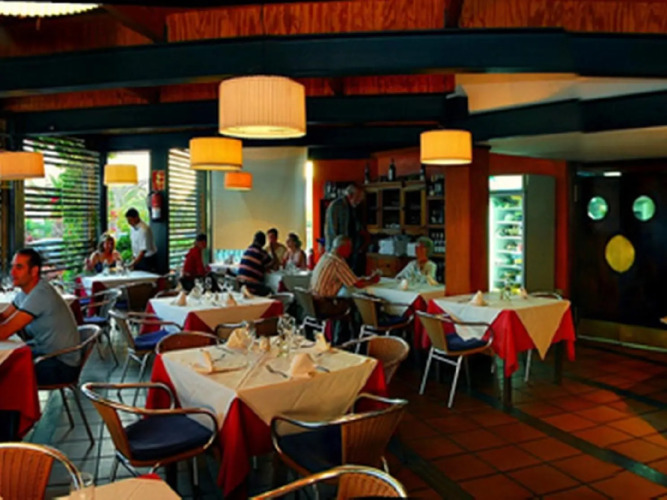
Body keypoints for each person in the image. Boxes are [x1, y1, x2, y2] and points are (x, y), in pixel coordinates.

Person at [0, 249, 80, 386]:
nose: (12, 272)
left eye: (19, 267)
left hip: (61, 365)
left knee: (6, 371)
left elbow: (5, 331)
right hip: (44, 353)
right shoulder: (25, 293)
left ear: (34, 271)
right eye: (12, 267)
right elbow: (3, 316)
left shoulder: (40, 294)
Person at [310, 235, 379, 298]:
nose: (350, 251)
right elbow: (358, 284)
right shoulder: (337, 262)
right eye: (349, 248)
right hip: (324, 301)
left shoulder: (326, 256)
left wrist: (367, 279)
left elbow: (352, 279)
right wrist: (373, 280)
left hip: (313, 299)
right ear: (342, 248)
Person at [324, 184, 365, 273]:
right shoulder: (336, 206)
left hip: (350, 250)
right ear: (350, 195)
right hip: (339, 251)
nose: (359, 201)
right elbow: (332, 231)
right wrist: (336, 250)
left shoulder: (354, 207)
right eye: (358, 197)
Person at [237, 231, 273, 296]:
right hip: (251, 285)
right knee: (270, 290)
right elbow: (272, 263)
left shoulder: (248, 250)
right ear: (263, 243)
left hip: (240, 284)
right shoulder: (261, 253)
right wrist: (272, 248)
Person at [125, 208, 157, 272]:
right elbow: (134, 246)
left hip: (147, 259)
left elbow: (143, 251)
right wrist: (133, 259)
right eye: (128, 220)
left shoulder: (144, 229)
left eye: (130, 220)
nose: (129, 223)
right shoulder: (132, 228)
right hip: (138, 258)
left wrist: (133, 264)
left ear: (136, 217)